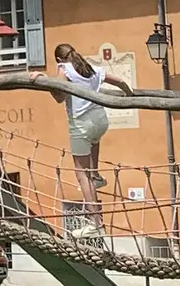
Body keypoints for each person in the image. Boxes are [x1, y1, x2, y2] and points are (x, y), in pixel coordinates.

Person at [48, 44, 132, 233]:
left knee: (81, 175)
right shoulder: (90, 68)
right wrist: (129, 95)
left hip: (81, 124)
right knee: (93, 140)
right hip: (100, 120)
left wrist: (44, 81)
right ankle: (96, 175)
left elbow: (59, 95)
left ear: (59, 60)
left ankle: (96, 222)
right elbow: (119, 81)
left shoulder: (64, 69)